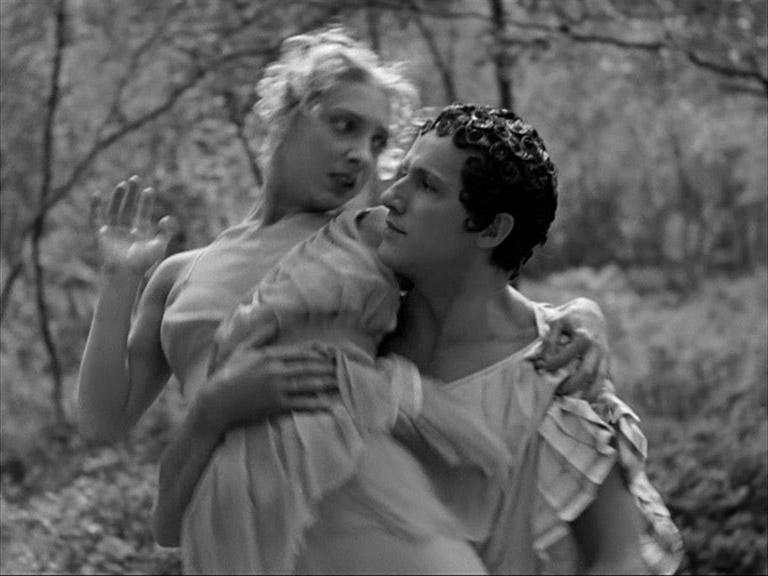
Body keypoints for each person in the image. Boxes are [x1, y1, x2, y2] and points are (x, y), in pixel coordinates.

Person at [78, 28, 618, 574]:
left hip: (351, 490)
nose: (360, 154)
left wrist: (578, 313)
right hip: (230, 515)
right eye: (344, 125)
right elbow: (103, 420)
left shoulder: (373, 235)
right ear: (286, 115)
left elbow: (480, 290)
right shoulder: (179, 275)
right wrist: (120, 280)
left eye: (377, 141)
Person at [162, 103, 683, 574]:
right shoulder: (354, 331)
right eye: (402, 174)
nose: (392, 197)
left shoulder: (554, 376)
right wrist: (213, 408)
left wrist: (585, 313)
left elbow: (622, 561)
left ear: (491, 229)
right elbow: (174, 524)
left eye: (427, 186)